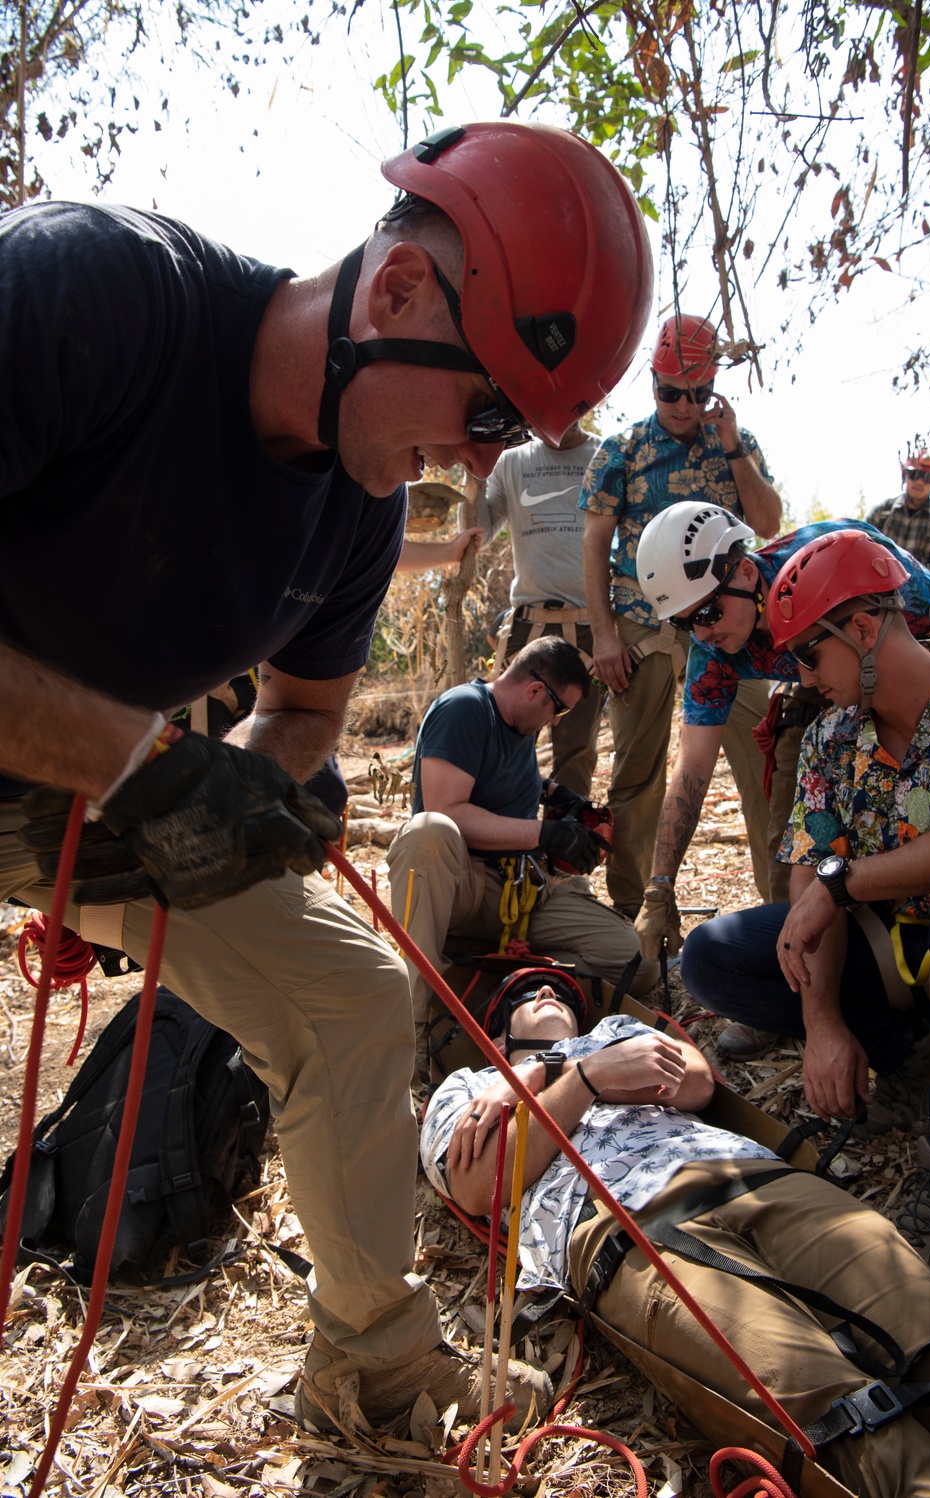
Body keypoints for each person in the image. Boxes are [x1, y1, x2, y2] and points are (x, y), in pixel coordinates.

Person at [0, 120, 654, 1427]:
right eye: (484, 411)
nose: (483, 463)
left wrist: (254, 791)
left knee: (350, 993)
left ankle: (374, 1360)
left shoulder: (355, 515)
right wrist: (149, 768)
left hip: (86, 796)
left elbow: (303, 710)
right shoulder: (95, 290)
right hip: (103, 773)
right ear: (397, 291)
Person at [421, 970, 930, 1498]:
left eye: (562, 991)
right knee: (827, 1407)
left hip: (753, 1176)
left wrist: (550, 1069)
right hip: (626, 1228)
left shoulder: (616, 1030)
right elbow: (479, 1186)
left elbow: (694, 1084)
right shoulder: (467, 1086)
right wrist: (591, 1077)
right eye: (525, 994)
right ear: (495, 1034)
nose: (547, 992)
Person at [680, 528, 930, 1281]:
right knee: (716, 955)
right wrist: (823, 1022)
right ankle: (909, 1063)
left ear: (861, 629)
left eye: (809, 656)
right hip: (896, 953)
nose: (801, 676)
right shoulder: (831, 736)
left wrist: (844, 883)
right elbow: (806, 875)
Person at [633, 506, 930, 1061]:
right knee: (798, 861)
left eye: (705, 610)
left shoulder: (843, 556)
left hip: (927, 688)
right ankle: (870, 1027)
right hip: (837, 707)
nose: (701, 633)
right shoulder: (720, 657)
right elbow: (693, 770)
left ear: (745, 572)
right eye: (684, 623)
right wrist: (660, 885)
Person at [580, 313, 782, 917]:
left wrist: (734, 447)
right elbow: (593, 547)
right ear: (653, 382)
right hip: (643, 627)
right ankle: (632, 920)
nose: (683, 405)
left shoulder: (735, 445)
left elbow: (768, 525)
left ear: (713, 387)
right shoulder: (623, 449)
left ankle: (782, 912)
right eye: (670, 391)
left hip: (728, 629)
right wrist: (605, 635)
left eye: (696, 393)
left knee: (764, 764)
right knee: (636, 777)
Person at [387, 637, 657, 1081]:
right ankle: (414, 1028)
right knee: (426, 834)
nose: (556, 721)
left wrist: (553, 796)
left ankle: (493, 977)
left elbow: (503, 778)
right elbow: (445, 809)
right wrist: (546, 834)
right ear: (535, 691)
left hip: (520, 891)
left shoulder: (519, 727)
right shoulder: (464, 709)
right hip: (465, 888)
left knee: (632, 961)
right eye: (561, 710)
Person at [484, 422, 603, 797]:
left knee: (577, 751)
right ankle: (499, 842)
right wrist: (473, 477)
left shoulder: (605, 456)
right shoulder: (510, 461)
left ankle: (566, 848)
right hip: (527, 623)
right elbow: (480, 532)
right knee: (502, 738)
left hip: (588, 623)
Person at [866, 451, 930, 581]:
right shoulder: (881, 512)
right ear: (905, 475)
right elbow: (861, 548)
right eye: (915, 475)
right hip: (876, 585)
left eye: (927, 477)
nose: (919, 482)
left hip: (921, 594)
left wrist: (918, 587)